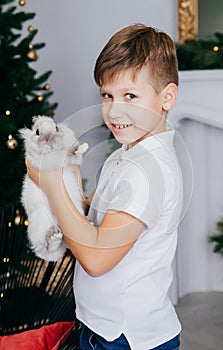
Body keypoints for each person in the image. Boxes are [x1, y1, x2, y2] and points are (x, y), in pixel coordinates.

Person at [26, 24, 183, 350]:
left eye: (130, 96)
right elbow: (90, 216)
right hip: (103, 326)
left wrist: (53, 186)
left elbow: (96, 259)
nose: (114, 110)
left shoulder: (146, 173)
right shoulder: (125, 157)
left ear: (166, 97)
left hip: (127, 338)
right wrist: (65, 175)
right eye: (107, 95)